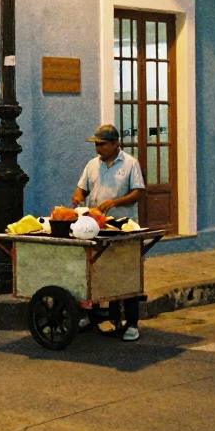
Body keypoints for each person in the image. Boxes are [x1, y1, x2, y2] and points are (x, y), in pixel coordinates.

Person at [72, 123, 146, 340]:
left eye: (102, 145)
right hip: (96, 227)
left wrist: (115, 202)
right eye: (96, 145)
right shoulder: (92, 166)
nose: (98, 149)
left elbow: (138, 193)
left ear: (116, 144)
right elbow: (82, 189)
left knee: (126, 274)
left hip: (122, 227)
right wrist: (77, 197)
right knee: (93, 272)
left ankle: (131, 324)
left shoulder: (130, 164)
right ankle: (90, 315)